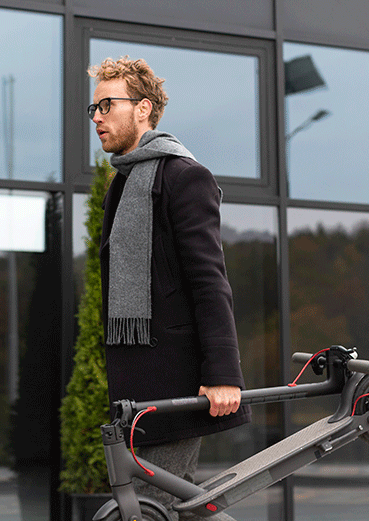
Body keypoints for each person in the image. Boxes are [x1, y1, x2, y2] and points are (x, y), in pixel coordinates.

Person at [90, 56, 250, 520]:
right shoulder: (122, 184)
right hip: (135, 386)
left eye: (107, 104)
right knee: (180, 506)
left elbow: (208, 279)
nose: (97, 116)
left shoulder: (184, 177)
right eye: (93, 108)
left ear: (143, 108)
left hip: (174, 381)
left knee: (153, 509)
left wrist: (223, 374)